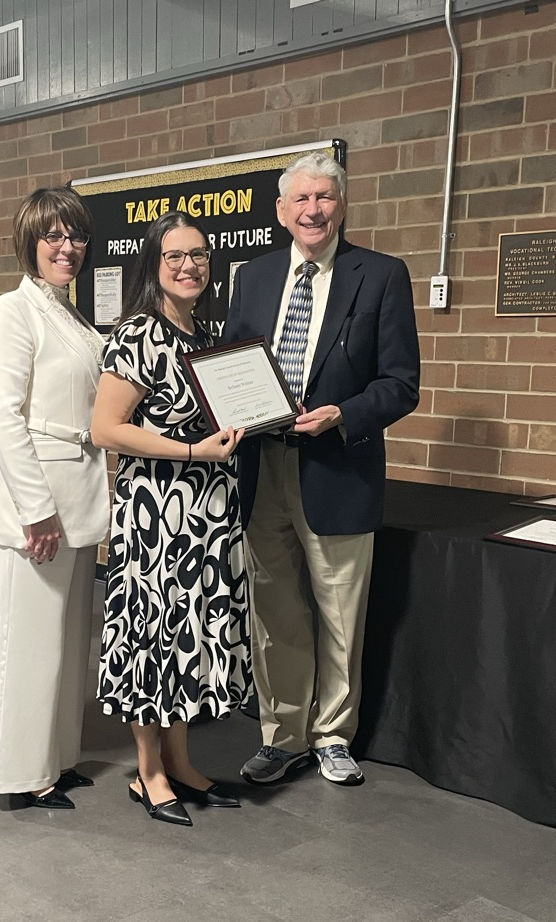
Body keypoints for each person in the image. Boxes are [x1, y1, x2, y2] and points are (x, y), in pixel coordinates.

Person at [223, 151, 420, 787]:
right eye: (301, 200)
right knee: (274, 613)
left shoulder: (382, 275)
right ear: (281, 211)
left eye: (325, 197)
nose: (313, 210)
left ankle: (333, 735)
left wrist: (344, 413)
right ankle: (282, 736)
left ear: (342, 204)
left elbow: (401, 384)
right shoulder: (253, 276)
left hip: (339, 469)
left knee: (340, 615)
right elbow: (233, 362)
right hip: (262, 468)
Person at [91, 211, 251, 827]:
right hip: (158, 514)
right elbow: (106, 429)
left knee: (191, 637)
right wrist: (191, 451)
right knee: (153, 638)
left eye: (200, 255)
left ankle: (181, 761)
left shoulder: (206, 333)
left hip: (207, 514)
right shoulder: (138, 333)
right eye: (175, 255)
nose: (190, 266)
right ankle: (148, 771)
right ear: (154, 264)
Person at [0, 187, 110, 810]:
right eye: (53, 236)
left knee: (64, 644)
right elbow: (4, 418)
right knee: (23, 647)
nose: (67, 247)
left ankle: (55, 759)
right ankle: (18, 776)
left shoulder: (74, 318)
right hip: (34, 507)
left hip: (78, 497)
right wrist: (36, 509)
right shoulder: (11, 311)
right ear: (29, 242)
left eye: (76, 236)